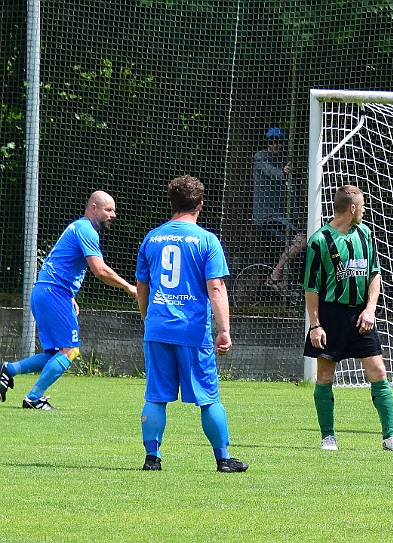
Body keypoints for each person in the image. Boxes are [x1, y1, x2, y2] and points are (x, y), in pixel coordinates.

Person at [135, 175, 247, 472]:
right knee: (208, 398)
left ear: (171, 203)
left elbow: (142, 286)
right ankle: (223, 459)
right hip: (193, 331)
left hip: (157, 328)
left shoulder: (152, 238)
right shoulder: (207, 240)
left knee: (156, 395)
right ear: (200, 204)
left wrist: (148, 318)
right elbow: (216, 287)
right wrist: (224, 330)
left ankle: (152, 459)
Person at [0, 191, 137, 409]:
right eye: (108, 209)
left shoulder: (79, 227)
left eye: (114, 210)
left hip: (46, 292)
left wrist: (70, 296)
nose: (113, 215)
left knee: (56, 353)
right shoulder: (86, 230)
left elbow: (63, 261)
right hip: (54, 293)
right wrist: (130, 287)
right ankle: (33, 398)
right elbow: (99, 270)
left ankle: (9, 369)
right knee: (70, 351)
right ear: (93, 207)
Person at [303, 185, 393, 453]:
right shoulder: (319, 241)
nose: (363, 210)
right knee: (325, 375)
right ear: (352, 208)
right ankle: (328, 437)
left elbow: (375, 273)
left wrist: (370, 309)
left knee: (379, 372)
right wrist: (315, 325)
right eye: (361, 206)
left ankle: (390, 437)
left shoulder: (365, 233)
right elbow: (311, 287)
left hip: (361, 314)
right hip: (331, 315)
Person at [252, 127, 306, 289]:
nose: (275, 145)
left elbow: (292, 191)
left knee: (302, 244)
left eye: (278, 142)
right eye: (272, 141)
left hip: (283, 216)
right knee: (301, 239)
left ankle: (290, 284)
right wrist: (284, 172)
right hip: (266, 216)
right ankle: (274, 276)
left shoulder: (286, 159)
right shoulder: (260, 157)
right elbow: (272, 172)